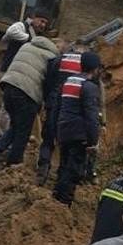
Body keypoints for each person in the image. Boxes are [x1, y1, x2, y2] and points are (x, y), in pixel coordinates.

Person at [0, 32, 58, 167]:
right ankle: (14, 162)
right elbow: (49, 83)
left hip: (8, 85)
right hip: (26, 92)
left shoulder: (27, 45)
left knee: (16, 124)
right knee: (24, 130)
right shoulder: (52, 57)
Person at [52, 51, 104, 206]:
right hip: (78, 133)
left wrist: (56, 129)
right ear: (95, 69)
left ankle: (56, 195)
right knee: (74, 169)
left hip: (63, 129)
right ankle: (63, 202)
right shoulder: (89, 87)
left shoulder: (68, 82)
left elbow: (57, 107)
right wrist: (92, 142)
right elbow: (91, 116)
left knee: (64, 164)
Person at [0, 9, 51, 134]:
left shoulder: (38, 37)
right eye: (41, 21)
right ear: (33, 18)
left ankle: (5, 134)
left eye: (45, 23)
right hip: (9, 71)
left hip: (20, 75)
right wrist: (30, 40)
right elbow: (10, 32)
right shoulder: (21, 26)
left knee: (11, 106)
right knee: (7, 105)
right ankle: (1, 135)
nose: (43, 25)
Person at [36, 39, 82, 185]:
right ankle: (62, 175)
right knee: (67, 143)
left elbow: (48, 81)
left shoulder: (59, 60)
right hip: (72, 109)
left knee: (48, 138)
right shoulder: (86, 66)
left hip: (54, 102)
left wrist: (47, 99)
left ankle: (43, 167)